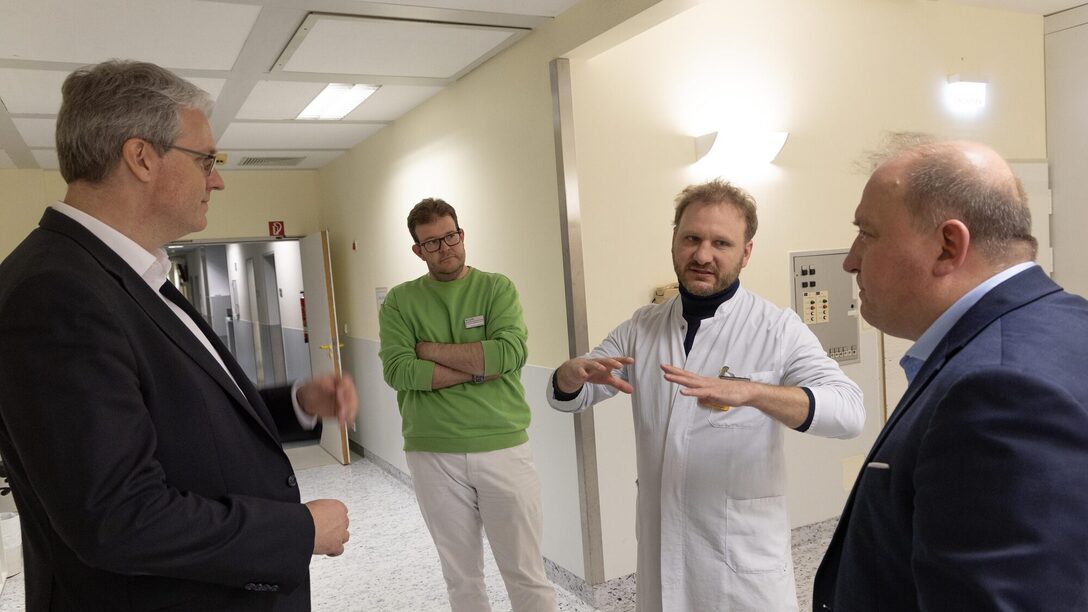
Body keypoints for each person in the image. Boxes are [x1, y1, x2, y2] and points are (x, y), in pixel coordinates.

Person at [0, 60, 358, 611]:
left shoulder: (121, 274)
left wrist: (296, 404)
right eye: (207, 159)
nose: (217, 178)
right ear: (141, 157)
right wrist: (298, 531)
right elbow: (118, 518)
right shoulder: (56, 291)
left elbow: (175, 418)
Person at [547, 179, 865, 611]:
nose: (702, 255)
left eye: (721, 243)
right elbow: (577, 394)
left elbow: (849, 412)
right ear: (674, 240)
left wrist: (753, 393)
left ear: (746, 252)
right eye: (691, 238)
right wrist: (569, 375)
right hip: (663, 547)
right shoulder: (642, 327)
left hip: (741, 561)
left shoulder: (777, 329)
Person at [813, 140, 1088, 610]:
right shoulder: (1069, 322)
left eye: (868, 234)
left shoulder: (997, 391)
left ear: (947, 246)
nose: (850, 260)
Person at [378, 198, 557, 612]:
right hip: (432, 451)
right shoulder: (401, 302)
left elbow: (508, 355)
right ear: (417, 250)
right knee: (461, 578)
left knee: (526, 573)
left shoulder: (497, 288)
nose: (446, 248)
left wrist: (429, 351)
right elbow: (400, 372)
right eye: (432, 242)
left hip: (503, 447)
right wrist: (479, 367)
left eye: (451, 236)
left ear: (462, 234)